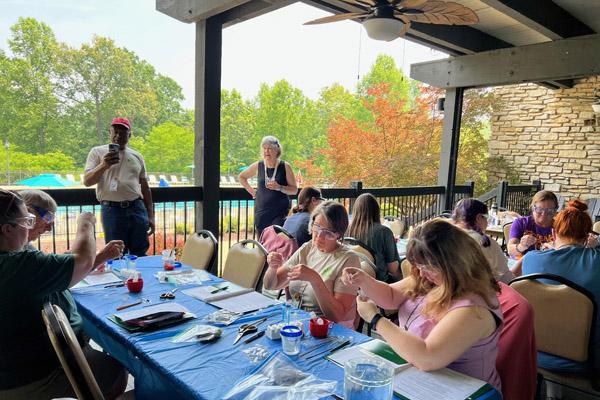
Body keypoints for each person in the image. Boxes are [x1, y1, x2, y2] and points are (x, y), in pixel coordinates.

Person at [343, 219, 503, 392]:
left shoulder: (474, 309)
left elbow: (427, 357)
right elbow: (390, 296)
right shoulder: (433, 279)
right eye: (418, 265)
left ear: (453, 265)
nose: (421, 273)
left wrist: (376, 320)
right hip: (419, 380)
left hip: (463, 391)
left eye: (426, 266)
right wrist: (364, 280)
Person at [0, 189, 127, 399]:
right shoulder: (16, 265)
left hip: (17, 366)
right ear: (7, 229)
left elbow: (53, 268)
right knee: (116, 371)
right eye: (27, 221)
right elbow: (82, 260)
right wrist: (86, 223)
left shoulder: (18, 257)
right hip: (30, 375)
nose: (45, 226)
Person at [18, 189, 124, 340]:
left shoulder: (24, 248)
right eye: (48, 217)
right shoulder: (20, 258)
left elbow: (56, 273)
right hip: (60, 345)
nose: (49, 227)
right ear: (26, 212)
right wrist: (86, 223)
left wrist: (100, 257)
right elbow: (78, 262)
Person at [522, 199, 600, 373]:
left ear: (554, 234)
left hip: (531, 352)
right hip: (588, 362)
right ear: (588, 236)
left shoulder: (531, 259)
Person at [264, 201, 359, 328]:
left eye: (328, 232)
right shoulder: (308, 248)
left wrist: (314, 279)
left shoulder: (349, 259)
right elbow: (271, 285)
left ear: (338, 234)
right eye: (317, 228)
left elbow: (337, 315)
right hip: (300, 323)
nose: (319, 237)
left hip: (332, 332)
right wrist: (272, 267)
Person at [83, 117, 155, 256]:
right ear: (110, 132)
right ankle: (120, 278)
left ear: (129, 135)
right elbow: (87, 181)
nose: (118, 136)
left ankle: (140, 278)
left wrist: (151, 216)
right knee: (115, 253)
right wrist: (104, 165)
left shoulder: (137, 156)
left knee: (140, 251)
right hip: (112, 210)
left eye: (123, 133)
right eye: (115, 132)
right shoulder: (97, 152)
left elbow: (145, 187)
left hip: (137, 208)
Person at [239, 136, 298, 237]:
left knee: (275, 241)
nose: (266, 151)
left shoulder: (285, 166)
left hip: (279, 213)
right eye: (264, 148)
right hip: (261, 213)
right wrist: (252, 192)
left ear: (277, 150)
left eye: (270, 148)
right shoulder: (258, 165)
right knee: (262, 245)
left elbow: (294, 190)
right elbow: (242, 177)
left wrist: (280, 187)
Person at [452, 198, 514, 283]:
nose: (487, 222)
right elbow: (506, 278)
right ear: (478, 218)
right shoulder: (486, 243)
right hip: (476, 291)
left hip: (446, 289)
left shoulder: (446, 236)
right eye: (486, 218)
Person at [346, 193, 400, 282]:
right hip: (379, 283)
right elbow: (393, 269)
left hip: (353, 281)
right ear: (376, 210)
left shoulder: (346, 230)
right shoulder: (384, 232)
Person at [507, 190, 557, 259]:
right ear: (533, 208)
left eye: (549, 211)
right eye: (539, 209)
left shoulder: (560, 227)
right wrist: (522, 246)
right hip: (521, 266)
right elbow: (510, 250)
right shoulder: (521, 223)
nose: (544, 214)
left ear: (555, 211)